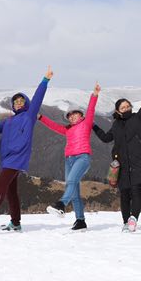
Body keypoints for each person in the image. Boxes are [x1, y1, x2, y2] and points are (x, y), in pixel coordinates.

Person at [0, 67, 52, 231]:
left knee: (1, 183)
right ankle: (16, 223)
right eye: (16, 102)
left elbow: (38, 98)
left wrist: (45, 81)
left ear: (26, 104)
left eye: (21, 101)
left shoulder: (29, 115)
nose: (18, 103)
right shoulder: (9, 120)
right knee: (11, 192)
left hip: (17, 157)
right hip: (6, 157)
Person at [93, 78, 141, 232]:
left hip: (139, 163)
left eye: (128, 106)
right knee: (124, 194)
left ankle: (133, 219)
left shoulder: (137, 118)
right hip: (122, 165)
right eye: (123, 107)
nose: (126, 108)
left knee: (136, 191)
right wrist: (93, 126)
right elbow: (105, 138)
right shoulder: (115, 125)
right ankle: (125, 222)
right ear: (117, 111)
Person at [40, 82, 101, 231]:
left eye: (75, 114)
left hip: (82, 158)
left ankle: (61, 204)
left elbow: (91, 110)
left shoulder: (86, 124)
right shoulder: (67, 129)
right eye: (70, 115)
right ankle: (80, 221)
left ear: (81, 115)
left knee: (72, 181)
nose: (72, 117)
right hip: (69, 160)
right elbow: (54, 126)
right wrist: (41, 117)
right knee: (73, 190)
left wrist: (94, 95)